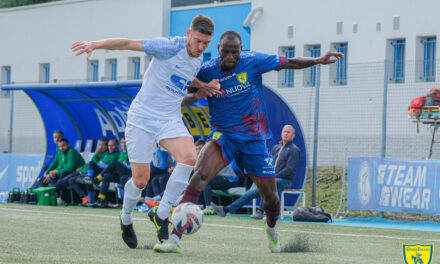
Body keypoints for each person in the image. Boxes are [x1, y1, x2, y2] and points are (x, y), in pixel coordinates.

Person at [153, 30, 343, 253]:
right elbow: (179, 97)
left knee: (271, 199)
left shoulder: (253, 61)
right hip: (223, 135)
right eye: (226, 52)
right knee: (199, 176)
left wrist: (318, 60)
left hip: (254, 139)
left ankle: (270, 226)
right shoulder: (206, 70)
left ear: (240, 51)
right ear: (219, 50)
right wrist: (196, 95)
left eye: (235, 52)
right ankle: (174, 240)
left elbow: (290, 62)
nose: (230, 56)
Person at [72, 14, 219, 249]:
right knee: (141, 181)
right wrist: (95, 45)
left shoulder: (198, 59)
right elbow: (127, 43)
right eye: (198, 41)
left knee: (190, 157)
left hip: (169, 119)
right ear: (189, 34)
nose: (200, 47)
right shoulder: (168, 46)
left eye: (206, 43)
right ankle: (126, 219)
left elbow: (184, 77)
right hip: (141, 119)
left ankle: (160, 214)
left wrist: (203, 86)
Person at [211, 125, 300, 219]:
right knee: (254, 188)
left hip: (284, 180)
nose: (286, 133)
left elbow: (289, 170)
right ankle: (259, 212)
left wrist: (272, 176)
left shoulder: (294, 150)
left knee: (265, 185)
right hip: (271, 179)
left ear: (293, 136)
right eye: (284, 131)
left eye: (288, 132)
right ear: (281, 133)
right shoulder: (276, 147)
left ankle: (227, 210)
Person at [67, 138, 109, 204]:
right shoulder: (99, 154)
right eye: (99, 145)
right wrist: (96, 154)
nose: (100, 147)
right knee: (71, 180)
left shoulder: (109, 154)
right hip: (90, 173)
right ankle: (86, 197)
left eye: (103, 145)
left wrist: (96, 155)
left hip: (99, 174)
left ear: (107, 146)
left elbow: (97, 164)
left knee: (89, 169)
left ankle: (90, 196)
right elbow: (94, 162)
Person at [94, 136, 131, 208]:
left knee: (114, 163)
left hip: (129, 173)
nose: (124, 144)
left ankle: (98, 178)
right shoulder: (121, 154)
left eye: (126, 142)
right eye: (122, 142)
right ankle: (101, 198)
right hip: (120, 175)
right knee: (107, 176)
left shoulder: (131, 153)